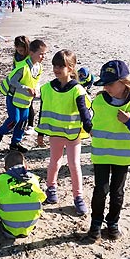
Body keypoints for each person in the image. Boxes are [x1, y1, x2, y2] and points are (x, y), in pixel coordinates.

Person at [87, 60, 130, 240]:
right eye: (104, 84)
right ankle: (95, 223)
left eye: (110, 83)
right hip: (101, 153)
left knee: (117, 192)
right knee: (100, 190)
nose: (106, 87)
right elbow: (90, 120)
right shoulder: (99, 100)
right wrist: (88, 128)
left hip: (122, 156)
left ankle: (113, 223)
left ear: (123, 82)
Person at [34, 49, 92, 215]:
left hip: (73, 134)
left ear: (71, 68)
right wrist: (40, 133)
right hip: (55, 133)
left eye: (61, 66)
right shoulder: (47, 88)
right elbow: (43, 111)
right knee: (54, 162)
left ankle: (78, 197)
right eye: (54, 65)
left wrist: (90, 129)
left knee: (74, 165)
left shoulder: (77, 90)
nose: (56, 69)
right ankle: (51, 190)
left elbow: (84, 114)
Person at [0, 39, 47, 152]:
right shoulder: (23, 67)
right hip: (13, 96)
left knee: (23, 121)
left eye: (44, 54)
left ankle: (15, 143)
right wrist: (26, 88)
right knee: (14, 119)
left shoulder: (39, 67)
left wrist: (36, 90)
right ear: (32, 53)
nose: (43, 57)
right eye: (41, 54)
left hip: (25, 99)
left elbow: (35, 81)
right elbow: (13, 82)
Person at [0, 151, 46, 238]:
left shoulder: (0, 180)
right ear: (26, 166)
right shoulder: (35, 179)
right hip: (30, 226)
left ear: (5, 168)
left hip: (9, 230)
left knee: (0, 200)